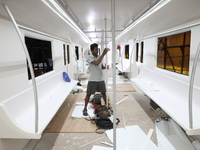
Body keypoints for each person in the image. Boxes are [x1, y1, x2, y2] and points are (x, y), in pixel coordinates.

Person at [83, 43, 109, 116]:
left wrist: (105, 67)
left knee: (103, 93)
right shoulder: (89, 57)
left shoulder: (99, 56)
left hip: (100, 78)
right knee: (88, 94)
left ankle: (106, 107)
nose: (97, 50)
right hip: (93, 79)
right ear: (92, 50)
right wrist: (103, 54)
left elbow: (100, 66)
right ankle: (85, 108)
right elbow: (97, 63)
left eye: (98, 49)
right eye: (96, 49)